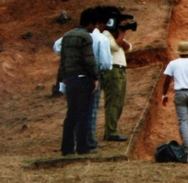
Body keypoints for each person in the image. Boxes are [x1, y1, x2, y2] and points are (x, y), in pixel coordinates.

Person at [57, 10, 100, 156]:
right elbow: (89, 59)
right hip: (83, 79)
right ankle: (82, 147)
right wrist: (95, 78)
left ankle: (66, 148)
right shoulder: (85, 37)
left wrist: (63, 76)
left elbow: (62, 59)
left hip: (70, 79)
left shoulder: (67, 36)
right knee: (84, 114)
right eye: (94, 25)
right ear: (91, 23)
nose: (95, 28)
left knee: (71, 114)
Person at [102, 17, 133, 142]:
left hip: (120, 69)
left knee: (119, 102)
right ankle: (110, 132)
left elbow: (129, 48)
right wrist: (122, 33)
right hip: (113, 69)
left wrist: (121, 35)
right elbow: (114, 47)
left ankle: (111, 130)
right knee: (113, 102)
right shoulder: (105, 35)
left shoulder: (115, 36)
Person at [88, 12, 113, 149]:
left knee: (77, 108)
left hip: (77, 73)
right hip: (94, 74)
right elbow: (106, 63)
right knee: (92, 107)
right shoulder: (101, 39)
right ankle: (89, 139)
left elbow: (58, 46)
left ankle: (76, 137)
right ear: (100, 24)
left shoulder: (76, 35)